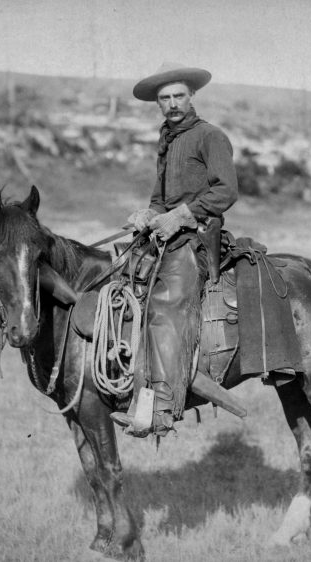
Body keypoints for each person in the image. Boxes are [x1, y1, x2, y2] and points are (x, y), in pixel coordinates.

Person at [110, 63, 238, 437]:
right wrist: (147, 214)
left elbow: (226, 191)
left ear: (192, 96)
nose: (171, 103)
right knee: (122, 284)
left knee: (166, 305)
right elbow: (159, 198)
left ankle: (162, 409)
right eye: (164, 99)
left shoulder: (210, 136)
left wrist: (182, 215)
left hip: (197, 238)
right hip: (168, 235)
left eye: (178, 95)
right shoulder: (167, 140)